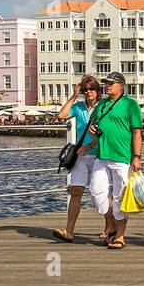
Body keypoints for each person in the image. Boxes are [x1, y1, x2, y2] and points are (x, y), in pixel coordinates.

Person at [76, 71, 143, 249]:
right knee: (96, 192)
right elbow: (97, 129)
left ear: (121, 86)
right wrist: (90, 139)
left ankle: (120, 236)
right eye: (107, 83)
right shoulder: (103, 104)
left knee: (120, 196)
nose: (108, 86)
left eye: (111, 83)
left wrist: (137, 157)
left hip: (122, 158)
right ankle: (112, 224)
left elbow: (137, 132)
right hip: (102, 155)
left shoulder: (130, 104)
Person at [54, 75, 101, 243]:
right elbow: (62, 115)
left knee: (100, 193)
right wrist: (74, 96)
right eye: (85, 89)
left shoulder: (103, 106)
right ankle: (69, 231)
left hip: (99, 155)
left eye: (91, 89)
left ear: (97, 90)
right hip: (80, 156)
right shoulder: (79, 107)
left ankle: (109, 227)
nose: (88, 92)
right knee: (76, 192)